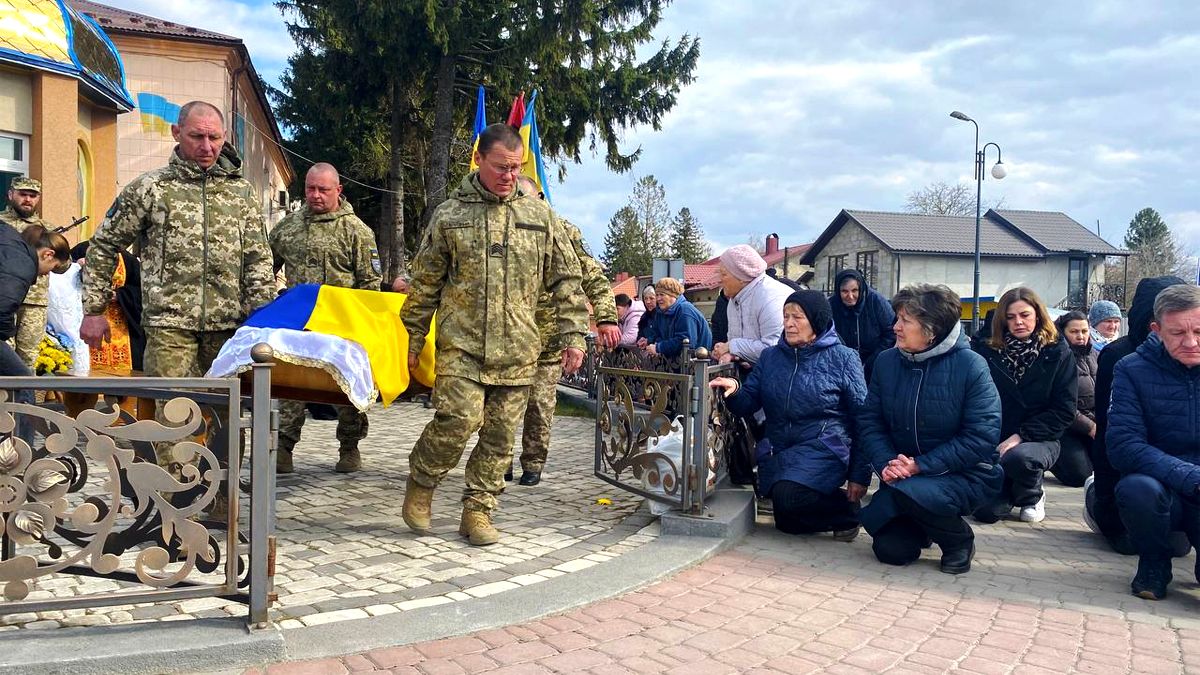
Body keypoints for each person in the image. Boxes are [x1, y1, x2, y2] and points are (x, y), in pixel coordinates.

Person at [79, 101, 276, 519]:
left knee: (226, 418)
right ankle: (175, 504)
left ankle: (221, 498)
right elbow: (103, 244)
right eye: (197, 136)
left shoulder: (240, 192)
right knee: (173, 413)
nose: (207, 146)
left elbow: (258, 259)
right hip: (169, 326)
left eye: (214, 137)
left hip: (229, 328)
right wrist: (94, 308)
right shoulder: (151, 188)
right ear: (176, 133)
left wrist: (262, 321)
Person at [400, 123, 589, 546]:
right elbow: (426, 283)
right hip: (462, 345)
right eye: (501, 167)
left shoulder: (540, 217)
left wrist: (575, 334)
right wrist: (413, 336)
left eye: (516, 168)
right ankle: (423, 481)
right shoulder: (450, 215)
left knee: (501, 438)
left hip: (520, 348)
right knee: (458, 422)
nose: (509, 175)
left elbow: (566, 279)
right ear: (479, 160)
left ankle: (478, 510)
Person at [857, 284, 1002, 574]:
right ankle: (924, 523)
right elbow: (870, 421)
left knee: (911, 493)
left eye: (905, 321)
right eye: (897, 318)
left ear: (931, 329)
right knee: (892, 551)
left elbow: (981, 436)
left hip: (963, 474)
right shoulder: (886, 362)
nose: (895, 327)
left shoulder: (971, 365)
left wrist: (919, 466)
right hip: (902, 477)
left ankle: (958, 540)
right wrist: (888, 463)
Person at [710, 290, 865, 539]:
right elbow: (747, 403)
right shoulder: (771, 357)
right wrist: (735, 390)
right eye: (785, 316)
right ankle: (839, 516)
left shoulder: (844, 358)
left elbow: (863, 418)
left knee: (788, 498)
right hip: (779, 447)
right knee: (786, 520)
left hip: (824, 446)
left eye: (798, 317)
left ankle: (853, 513)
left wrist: (859, 475)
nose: (789, 324)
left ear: (816, 321)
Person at [269, 163, 382, 474]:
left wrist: (364, 328)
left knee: (345, 389)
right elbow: (263, 265)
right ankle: (284, 448)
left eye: (323, 189)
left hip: (341, 328)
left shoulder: (357, 231)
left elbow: (370, 285)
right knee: (291, 388)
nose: (315, 195)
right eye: (310, 189)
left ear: (338, 191)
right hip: (298, 326)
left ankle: (349, 446)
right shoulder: (288, 228)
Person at [516, 175, 619, 486]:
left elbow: (593, 276)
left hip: (547, 340)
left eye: (523, 197)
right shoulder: (501, 224)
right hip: (505, 340)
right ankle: (497, 461)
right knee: (498, 408)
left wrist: (606, 317)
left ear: (540, 199)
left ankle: (533, 464)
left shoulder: (561, 230)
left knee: (539, 406)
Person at [1108, 284, 1200, 600]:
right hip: (1161, 486)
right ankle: (1154, 562)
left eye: (1199, 331)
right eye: (1177, 333)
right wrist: (1189, 477)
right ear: (1156, 329)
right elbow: (1123, 445)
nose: (1191, 342)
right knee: (1136, 489)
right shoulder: (1131, 369)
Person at [1088, 276, 1186, 555]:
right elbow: (1107, 433)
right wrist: (1107, 503)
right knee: (1130, 543)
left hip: (1177, 473)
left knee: (1177, 548)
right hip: (1128, 467)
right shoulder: (1118, 358)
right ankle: (1095, 497)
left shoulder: (1189, 356)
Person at [970, 287, 1076, 524]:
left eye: (1025, 315)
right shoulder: (987, 350)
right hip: (994, 436)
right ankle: (1010, 488)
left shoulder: (1058, 352)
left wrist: (1020, 435)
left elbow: (1064, 411)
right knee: (985, 512)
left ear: (1038, 315)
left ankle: (1032, 494)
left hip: (1039, 437)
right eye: (1010, 317)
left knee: (1020, 458)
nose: (1018, 322)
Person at [1, 224, 71, 444]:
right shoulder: (21, 264)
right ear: (48, 254)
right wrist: (5, 334)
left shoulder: (10, 238)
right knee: (23, 381)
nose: (44, 275)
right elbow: (2, 307)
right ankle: (22, 452)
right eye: (51, 268)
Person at [710, 245, 793, 366]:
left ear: (742, 277)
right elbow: (739, 341)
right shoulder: (735, 299)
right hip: (754, 375)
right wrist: (730, 353)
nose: (719, 280)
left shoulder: (771, 298)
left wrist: (731, 346)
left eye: (723, 274)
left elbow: (774, 349)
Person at [0, 177, 50, 368]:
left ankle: (26, 397)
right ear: (11, 194)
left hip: (35, 302)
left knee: (29, 355)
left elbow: (62, 263)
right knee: (4, 351)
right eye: (23, 194)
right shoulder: (1, 224)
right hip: (4, 298)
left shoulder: (47, 228)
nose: (28, 199)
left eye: (33, 195)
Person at [1048, 311, 1096, 488]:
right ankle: (1052, 460)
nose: (1080, 336)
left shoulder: (1095, 356)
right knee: (1079, 476)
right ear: (1063, 332)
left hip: (1093, 424)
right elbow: (1060, 403)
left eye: (1084, 331)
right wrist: (1089, 427)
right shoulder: (1055, 358)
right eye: (1074, 332)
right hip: (1065, 428)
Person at [829, 269, 896, 381]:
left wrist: (872, 361)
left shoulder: (877, 302)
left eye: (854, 290)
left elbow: (891, 332)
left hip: (874, 364)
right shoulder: (831, 306)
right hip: (842, 366)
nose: (850, 296)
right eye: (844, 291)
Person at [639, 277, 712, 358]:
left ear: (673, 295)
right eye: (657, 295)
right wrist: (649, 341)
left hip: (695, 364)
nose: (658, 299)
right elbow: (658, 335)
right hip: (674, 364)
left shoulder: (685, 311)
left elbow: (685, 342)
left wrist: (658, 348)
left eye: (662, 295)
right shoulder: (661, 312)